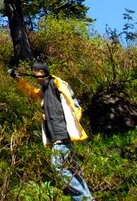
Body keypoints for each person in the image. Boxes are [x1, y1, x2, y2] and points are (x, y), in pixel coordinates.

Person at [9, 60, 94, 200]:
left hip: (62, 134)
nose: (35, 78)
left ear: (41, 73)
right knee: (73, 169)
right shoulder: (43, 91)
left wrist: (74, 123)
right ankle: (87, 197)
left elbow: (72, 102)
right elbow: (31, 92)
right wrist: (17, 78)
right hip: (58, 135)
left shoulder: (55, 84)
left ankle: (84, 198)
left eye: (35, 73)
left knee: (57, 167)